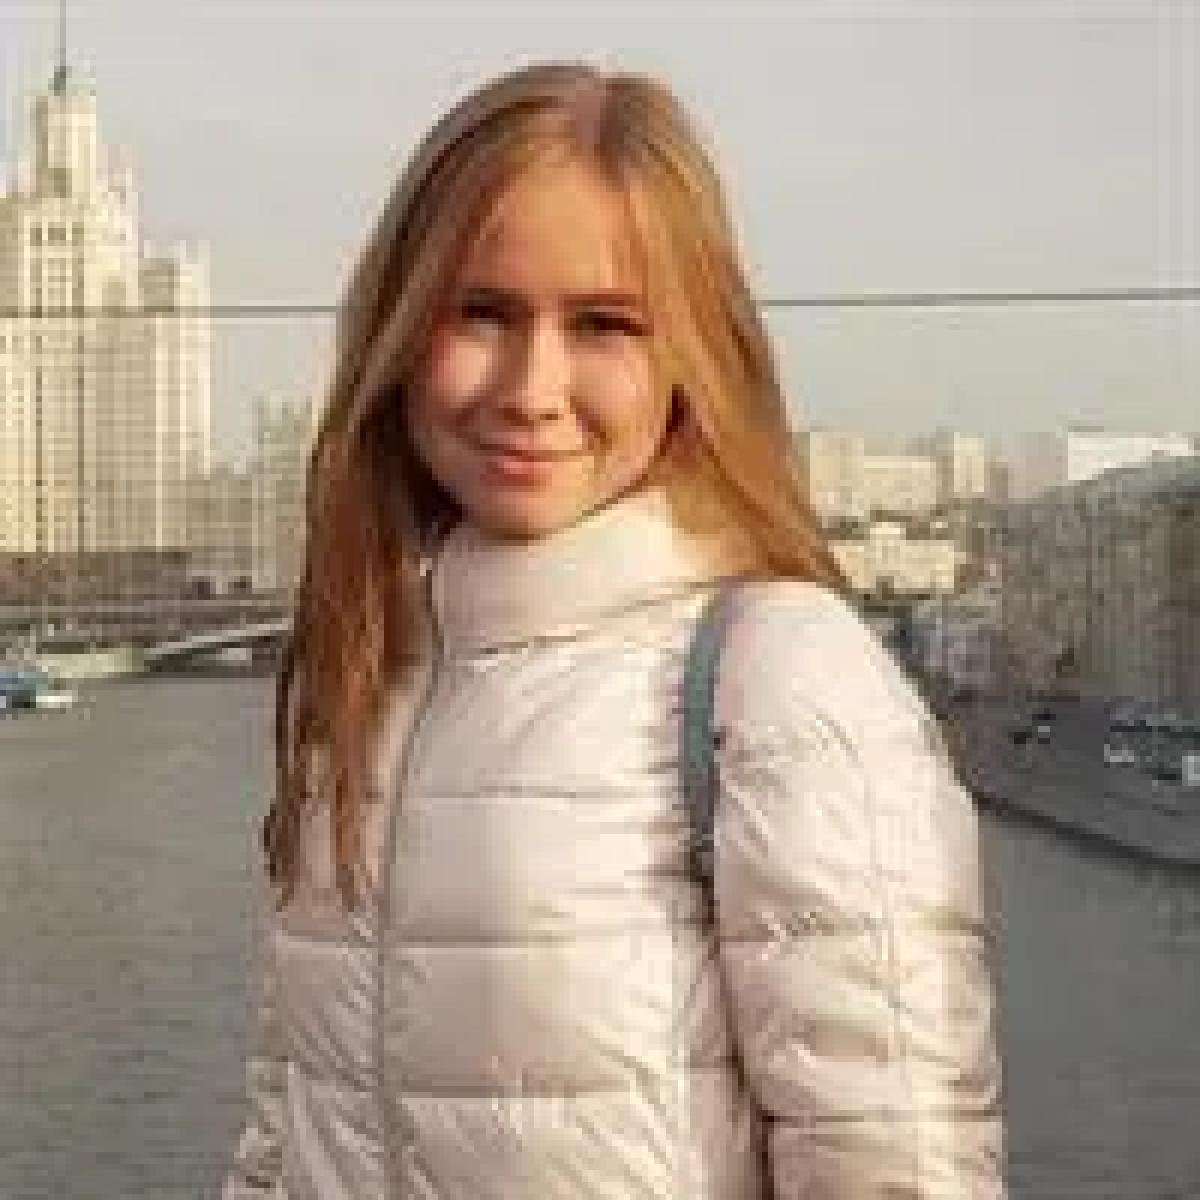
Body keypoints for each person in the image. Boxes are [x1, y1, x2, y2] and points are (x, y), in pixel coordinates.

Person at [222, 60, 1006, 1199]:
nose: (530, 388)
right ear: (396, 329)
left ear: (692, 356)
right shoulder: (371, 667)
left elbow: (896, 1166)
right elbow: (288, 1118)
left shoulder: (775, 678)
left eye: (603, 325)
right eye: (480, 313)